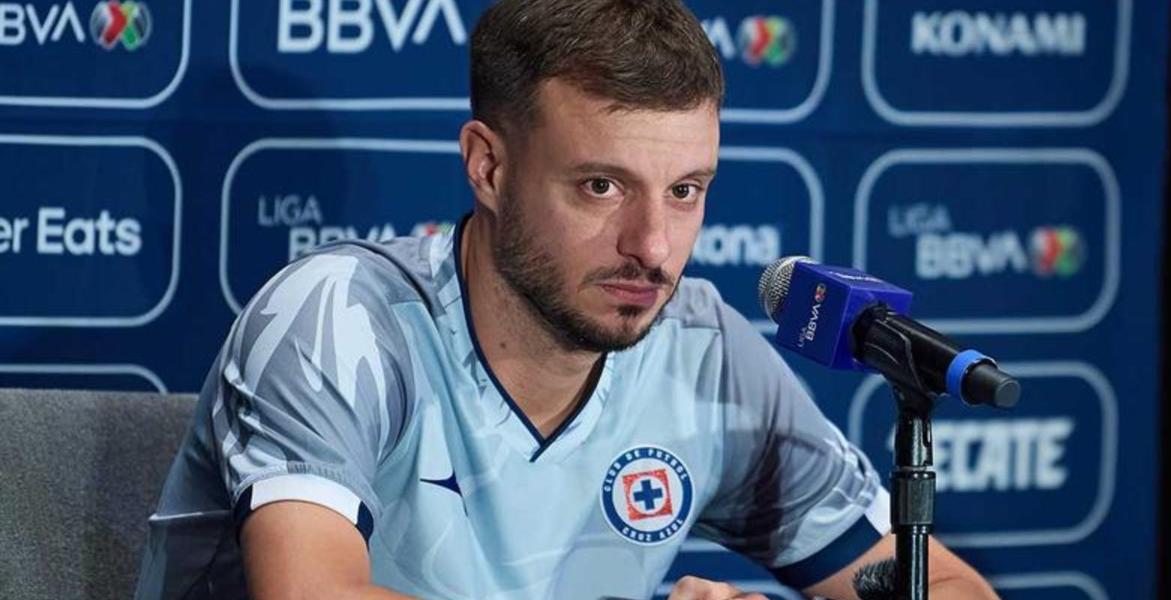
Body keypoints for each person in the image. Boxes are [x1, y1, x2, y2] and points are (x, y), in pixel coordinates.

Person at [137, 0, 999, 598]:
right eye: (599, 186)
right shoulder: (340, 319)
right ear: (488, 166)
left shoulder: (702, 353)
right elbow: (312, 593)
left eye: (687, 190)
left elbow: (949, 586)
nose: (653, 247)